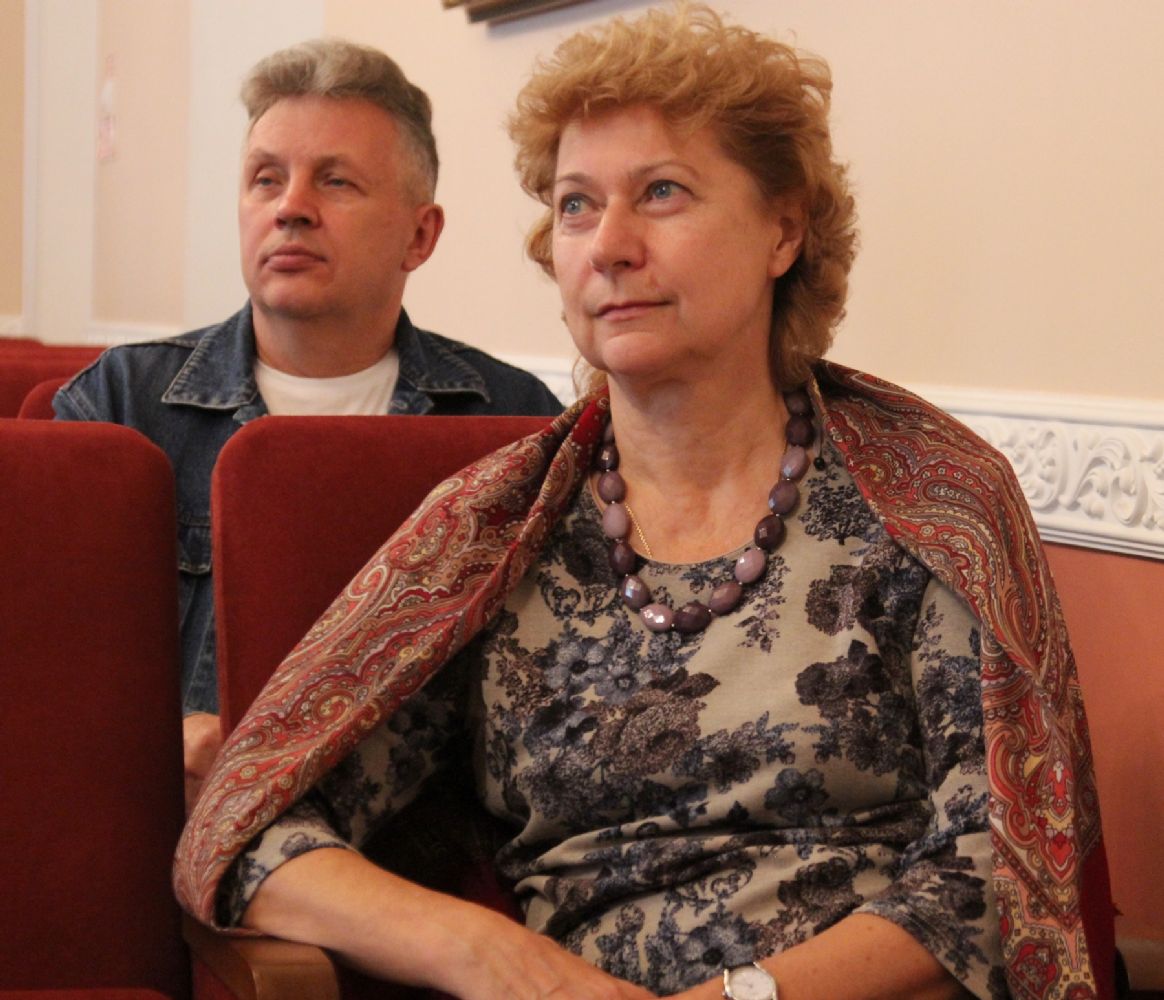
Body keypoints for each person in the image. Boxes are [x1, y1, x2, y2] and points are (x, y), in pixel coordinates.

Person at [175, 7, 1117, 999]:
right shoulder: (492, 535)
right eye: (577, 206)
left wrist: (741, 998)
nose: (609, 245)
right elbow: (249, 825)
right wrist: (496, 959)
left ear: (783, 229)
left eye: (662, 192)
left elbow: (1003, 863)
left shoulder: (931, 501)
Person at [53, 39, 562, 808]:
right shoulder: (121, 405)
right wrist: (159, 739)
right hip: (175, 814)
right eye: (266, 179)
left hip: (417, 828)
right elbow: (50, 668)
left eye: (335, 180)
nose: (289, 207)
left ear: (419, 236)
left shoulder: (513, 419)